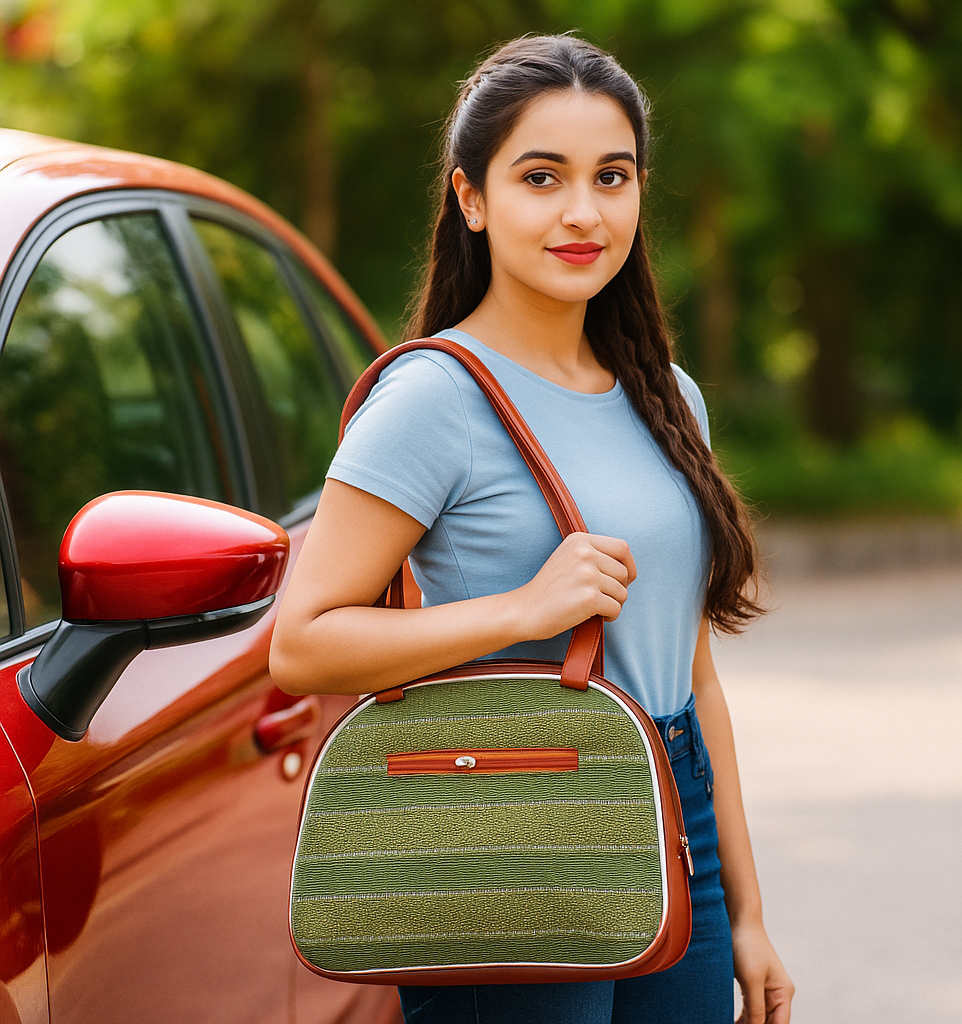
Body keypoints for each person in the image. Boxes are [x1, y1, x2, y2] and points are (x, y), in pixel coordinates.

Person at [270, 32, 794, 1024]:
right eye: (541, 177)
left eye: (612, 176)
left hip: (669, 807)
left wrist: (751, 913)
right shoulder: (432, 400)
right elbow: (303, 642)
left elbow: (694, 678)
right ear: (471, 199)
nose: (583, 212)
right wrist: (523, 609)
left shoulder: (668, 397)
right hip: (508, 813)